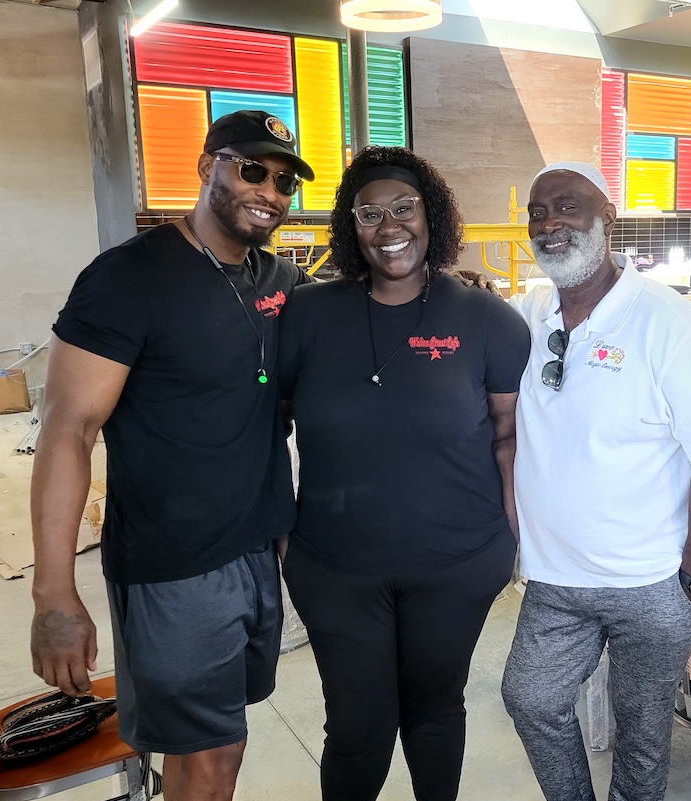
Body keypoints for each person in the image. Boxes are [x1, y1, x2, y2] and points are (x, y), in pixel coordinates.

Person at [30, 110, 315, 801]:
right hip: (174, 568)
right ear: (206, 165)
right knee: (211, 757)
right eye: (252, 169)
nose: (269, 191)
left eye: (283, 180)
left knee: (219, 747)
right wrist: (54, 592)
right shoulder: (128, 278)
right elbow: (68, 429)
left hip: (255, 557)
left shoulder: (280, 279)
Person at [276, 146, 531, 801]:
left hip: (457, 562)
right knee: (359, 727)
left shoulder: (485, 320)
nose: (390, 227)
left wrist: (511, 537)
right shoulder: (306, 315)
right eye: (370, 213)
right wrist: (279, 525)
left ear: (431, 215)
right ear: (350, 226)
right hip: (335, 567)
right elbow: (265, 426)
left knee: (436, 709)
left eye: (404, 208)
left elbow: (510, 434)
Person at [501, 162, 691, 801]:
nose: (550, 223)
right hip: (555, 581)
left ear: (607, 218)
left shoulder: (668, 322)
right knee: (530, 699)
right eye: (538, 211)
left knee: (640, 746)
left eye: (568, 207)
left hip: (650, 582)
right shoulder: (528, 315)